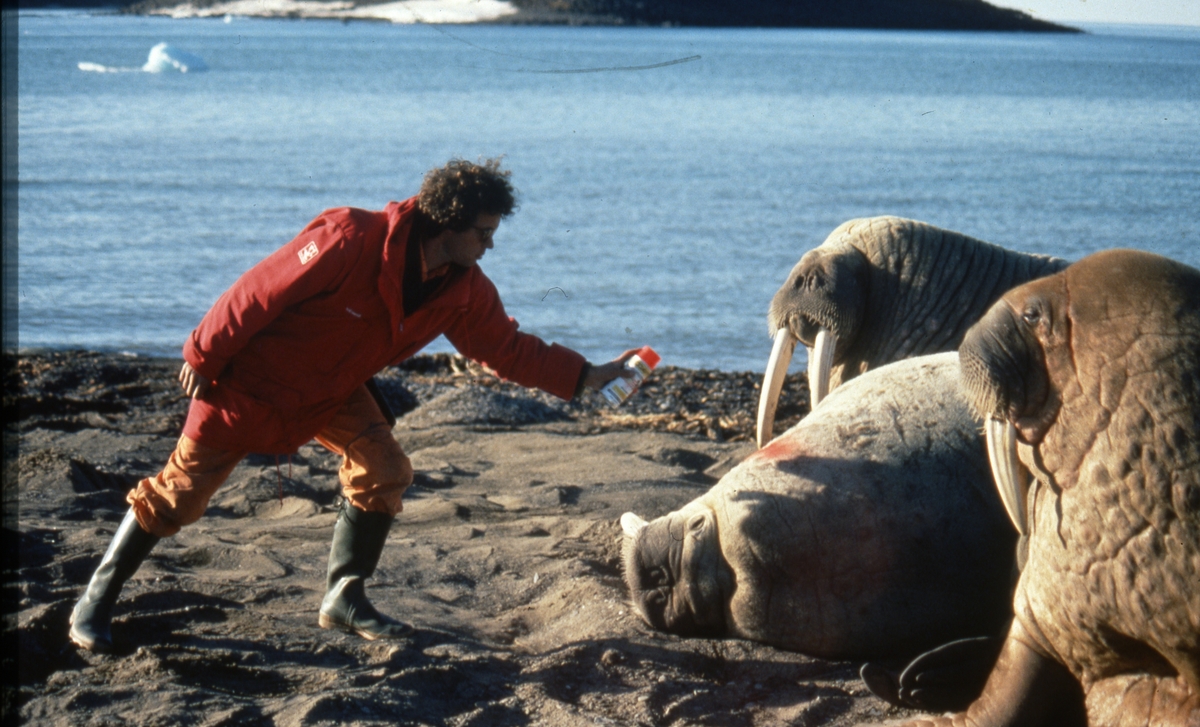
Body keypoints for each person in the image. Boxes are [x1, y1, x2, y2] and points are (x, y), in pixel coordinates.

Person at [69, 158, 635, 651]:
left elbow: (506, 348)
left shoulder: (464, 288)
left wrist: (586, 375)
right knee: (177, 498)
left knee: (385, 469)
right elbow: (257, 290)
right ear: (448, 223)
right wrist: (202, 352)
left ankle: (344, 595)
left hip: (332, 393)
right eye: (484, 232)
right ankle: (92, 603)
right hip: (250, 386)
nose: (491, 244)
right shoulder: (349, 236)